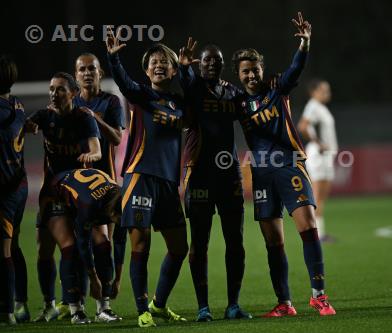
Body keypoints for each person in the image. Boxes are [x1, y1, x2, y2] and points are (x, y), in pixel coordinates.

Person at [232, 12, 336, 317]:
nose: (251, 75)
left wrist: (304, 44)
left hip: (290, 165)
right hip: (262, 173)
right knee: (273, 242)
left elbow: (295, 69)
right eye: (246, 72)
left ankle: (319, 295)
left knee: (308, 226)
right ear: (239, 75)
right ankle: (284, 302)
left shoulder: (277, 89)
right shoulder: (237, 103)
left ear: (262, 70)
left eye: (255, 70)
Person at [106, 26, 189, 327]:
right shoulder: (140, 94)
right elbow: (123, 82)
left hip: (168, 182)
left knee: (179, 248)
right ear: (147, 69)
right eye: (153, 61)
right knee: (140, 245)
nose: (157, 64)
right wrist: (114, 59)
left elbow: (194, 102)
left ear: (174, 68)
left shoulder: (181, 102)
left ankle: (158, 304)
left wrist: (189, 73)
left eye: (164, 61)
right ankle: (142, 309)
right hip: (139, 176)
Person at [178, 41, 251, 321]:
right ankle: (203, 307)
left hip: (229, 175)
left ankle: (233, 305)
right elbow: (185, 81)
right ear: (199, 63)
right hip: (199, 176)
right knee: (200, 243)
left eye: (216, 60)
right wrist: (184, 67)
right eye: (206, 60)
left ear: (222, 64)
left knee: (236, 242)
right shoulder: (195, 88)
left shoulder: (233, 93)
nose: (211, 64)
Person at [26, 72, 101, 324]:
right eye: (51, 89)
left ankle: (76, 307)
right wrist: (27, 126)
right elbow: (22, 126)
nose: (53, 94)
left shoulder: (83, 118)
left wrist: (91, 156)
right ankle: (49, 306)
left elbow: (97, 149)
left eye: (60, 89)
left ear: (72, 93)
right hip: (50, 191)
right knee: (44, 249)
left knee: (70, 247)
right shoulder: (44, 116)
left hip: (76, 193)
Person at [55, 52, 126, 322]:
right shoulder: (69, 104)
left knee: (103, 243)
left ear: (100, 73)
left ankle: (103, 305)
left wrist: (95, 118)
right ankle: (74, 306)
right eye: (82, 69)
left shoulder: (110, 101)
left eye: (92, 69)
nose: (87, 73)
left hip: (102, 184)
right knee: (72, 245)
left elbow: (118, 138)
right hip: (72, 186)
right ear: (76, 75)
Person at [52, 168, 122, 322]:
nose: (116, 221)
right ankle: (76, 310)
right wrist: (94, 278)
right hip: (57, 192)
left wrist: (117, 279)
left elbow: (120, 242)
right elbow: (84, 243)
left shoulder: (122, 201)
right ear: (109, 210)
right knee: (70, 247)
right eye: (114, 217)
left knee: (104, 244)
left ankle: (104, 309)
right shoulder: (89, 205)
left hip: (91, 195)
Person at [0, 55, 29, 325]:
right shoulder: (16, 104)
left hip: (5, 188)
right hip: (20, 185)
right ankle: (21, 302)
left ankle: (7, 311)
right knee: (14, 246)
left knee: (4, 250)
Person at [298, 79, 338, 242]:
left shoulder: (321, 108)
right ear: (313, 92)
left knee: (321, 197)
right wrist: (318, 143)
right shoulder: (313, 106)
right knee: (317, 196)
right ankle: (315, 234)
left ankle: (320, 233)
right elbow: (302, 126)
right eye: (323, 90)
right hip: (319, 155)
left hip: (326, 156)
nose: (326, 93)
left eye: (327, 90)